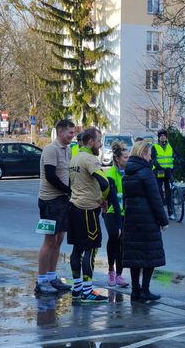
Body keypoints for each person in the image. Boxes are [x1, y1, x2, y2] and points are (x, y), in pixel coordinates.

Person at [68, 127, 116, 302]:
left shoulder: (75, 158)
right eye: (99, 141)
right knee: (91, 248)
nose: (100, 144)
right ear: (90, 142)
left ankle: (77, 288)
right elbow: (105, 183)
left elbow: (70, 184)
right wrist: (103, 199)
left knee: (76, 249)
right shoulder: (90, 159)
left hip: (74, 207)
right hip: (88, 210)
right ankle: (87, 291)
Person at [123, 140, 169, 302]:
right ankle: (145, 290)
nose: (151, 158)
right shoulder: (146, 172)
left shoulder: (128, 172)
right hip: (147, 218)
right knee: (150, 255)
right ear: (143, 154)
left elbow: (125, 197)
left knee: (135, 256)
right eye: (149, 154)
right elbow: (155, 198)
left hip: (131, 218)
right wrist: (163, 220)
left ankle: (135, 291)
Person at [35, 119, 74, 294]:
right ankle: (41, 280)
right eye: (70, 132)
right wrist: (68, 190)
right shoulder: (51, 149)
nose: (72, 136)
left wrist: (70, 191)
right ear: (60, 132)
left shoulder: (68, 150)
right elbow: (50, 176)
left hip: (63, 201)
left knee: (59, 240)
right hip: (49, 201)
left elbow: (68, 174)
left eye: (73, 132)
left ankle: (51, 277)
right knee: (49, 241)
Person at [102, 141, 130, 288]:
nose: (128, 160)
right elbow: (113, 200)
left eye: (128, 157)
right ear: (118, 159)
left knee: (122, 242)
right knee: (114, 236)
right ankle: (111, 270)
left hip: (125, 212)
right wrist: (119, 224)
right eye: (125, 157)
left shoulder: (129, 173)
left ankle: (119, 274)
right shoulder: (111, 174)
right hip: (112, 212)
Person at [151, 129, 175, 217]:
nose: (163, 137)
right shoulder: (155, 146)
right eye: (161, 136)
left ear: (166, 137)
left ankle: (170, 212)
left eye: (164, 135)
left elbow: (173, 157)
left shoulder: (170, 146)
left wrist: (176, 164)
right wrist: (159, 166)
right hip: (159, 171)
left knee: (169, 192)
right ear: (158, 137)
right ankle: (161, 212)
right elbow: (153, 159)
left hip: (168, 171)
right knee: (159, 192)